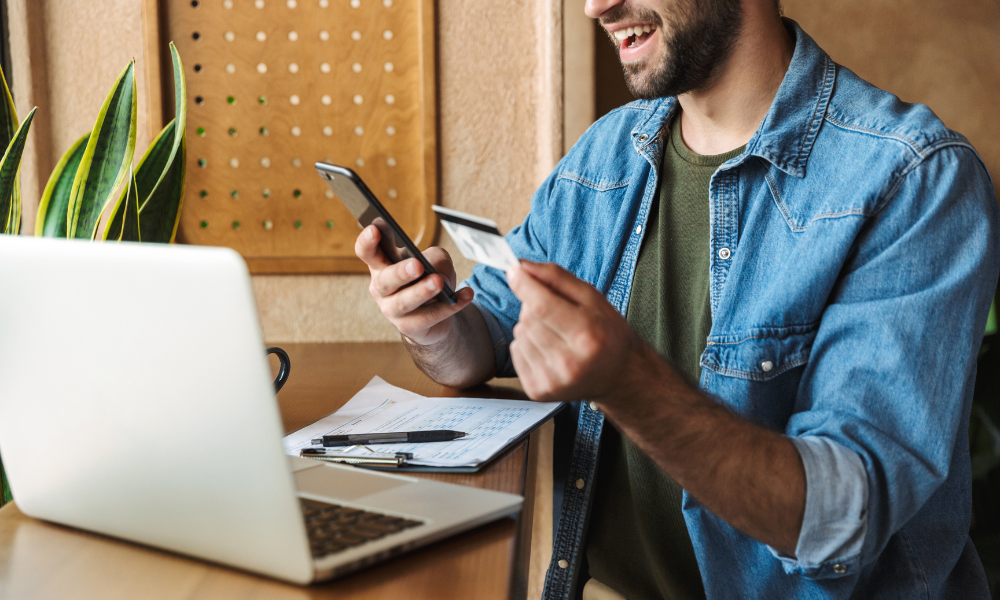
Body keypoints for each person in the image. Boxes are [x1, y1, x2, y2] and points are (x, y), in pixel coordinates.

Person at [354, 0, 1000, 597]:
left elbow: (843, 518)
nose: (596, 6)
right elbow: (488, 339)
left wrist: (627, 381)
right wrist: (436, 324)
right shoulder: (609, 151)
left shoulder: (916, 180)